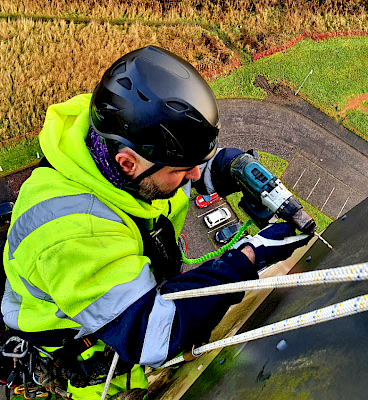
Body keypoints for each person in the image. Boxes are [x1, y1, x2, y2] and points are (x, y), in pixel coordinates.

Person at [1, 46, 310, 400]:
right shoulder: (75, 232)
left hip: (115, 285)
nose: (194, 174)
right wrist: (247, 259)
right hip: (89, 348)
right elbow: (154, 335)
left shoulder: (114, 137)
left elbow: (175, 169)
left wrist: (229, 167)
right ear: (128, 163)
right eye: (183, 169)